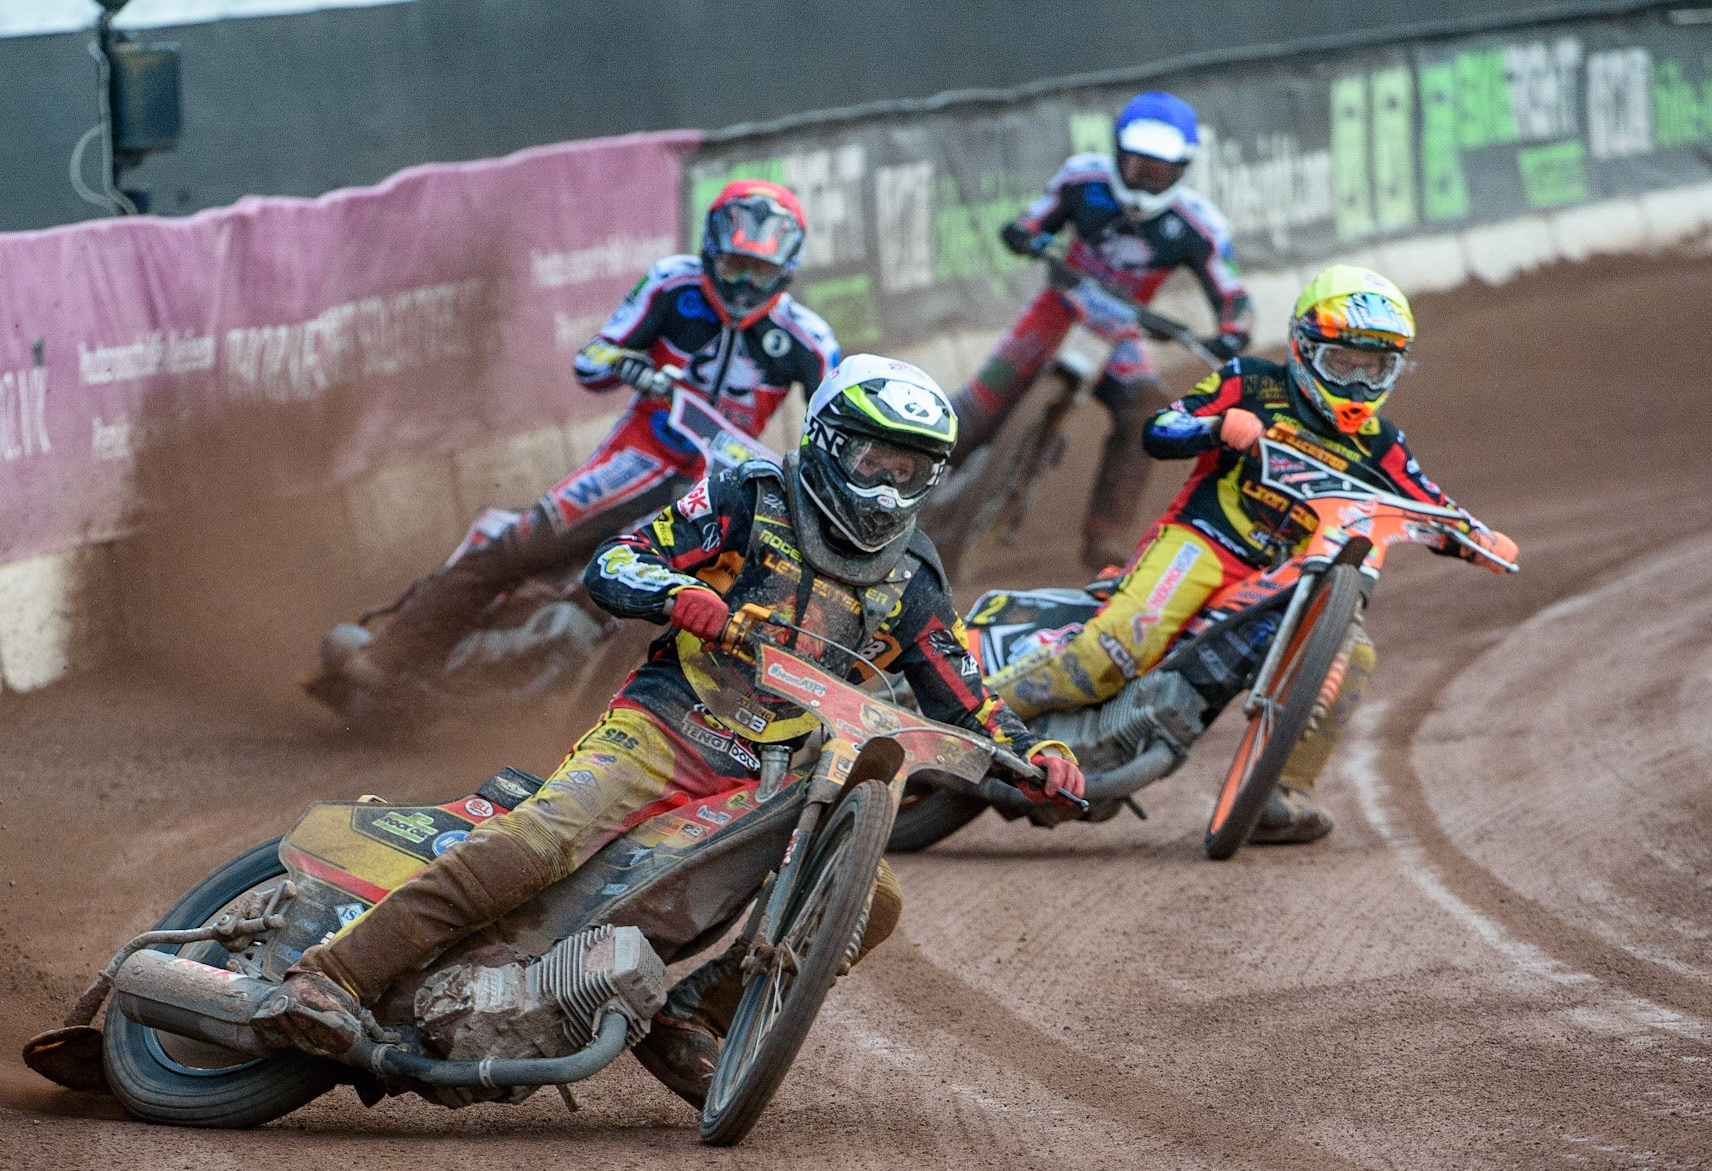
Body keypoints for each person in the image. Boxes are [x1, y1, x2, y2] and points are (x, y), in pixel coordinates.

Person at [256, 354, 1086, 1105]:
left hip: (773, 777)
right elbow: (616, 561)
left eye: (909, 472)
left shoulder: (913, 577)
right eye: (873, 461)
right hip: (664, 725)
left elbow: (962, 698)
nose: (885, 489)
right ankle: (331, 975)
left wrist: (1039, 753)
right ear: (830, 442)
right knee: (541, 842)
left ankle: (692, 1019)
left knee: (873, 898)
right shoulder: (747, 497)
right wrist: (675, 593)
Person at [983, 265, 1518, 842]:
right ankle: (971, 712)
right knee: (1119, 646)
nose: (1359, 382)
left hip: (1286, 578)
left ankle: (1279, 791)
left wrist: (1480, 537)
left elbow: (1429, 500)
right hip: (1204, 542)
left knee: (1352, 653)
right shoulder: (1252, 383)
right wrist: (1216, 426)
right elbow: (1160, 428)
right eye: (1345, 363)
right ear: (1306, 349)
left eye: (1376, 367)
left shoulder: (1382, 443)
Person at [332, 179, 839, 700]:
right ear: (710, 252)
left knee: (649, 602)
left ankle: (558, 704)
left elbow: (837, 424)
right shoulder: (673, 285)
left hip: (715, 490)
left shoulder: (809, 340)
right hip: (635, 458)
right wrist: (633, 368)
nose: (743, 286)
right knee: (527, 541)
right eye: (734, 265)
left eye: (760, 271)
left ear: (787, 271)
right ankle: (391, 655)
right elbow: (590, 361)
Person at [954, 90, 1253, 570]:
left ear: (1183, 167)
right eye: (1136, 163)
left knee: (1145, 414)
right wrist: (1024, 233)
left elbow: (1232, 291)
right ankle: (901, 484)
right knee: (971, 413)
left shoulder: (1199, 224)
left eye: (1159, 168)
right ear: (1117, 150)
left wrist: (1233, 330)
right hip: (1057, 309)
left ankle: (1105, 542)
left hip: (1121, 332)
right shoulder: (1082, 179)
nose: (1144, 177)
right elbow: (1035, 219)